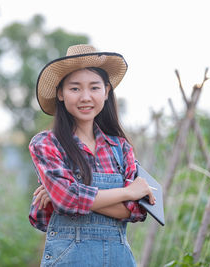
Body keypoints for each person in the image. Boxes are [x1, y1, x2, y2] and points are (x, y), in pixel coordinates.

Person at [28, 44, 155, 267]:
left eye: (94, 88)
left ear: (106, 92)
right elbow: (67, 200)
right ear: (60, 93)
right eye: (75, 88)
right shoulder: (47, 143)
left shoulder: (120, 147)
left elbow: (136, 211)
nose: (85, 97)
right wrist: (126, 192)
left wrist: (65, 195)